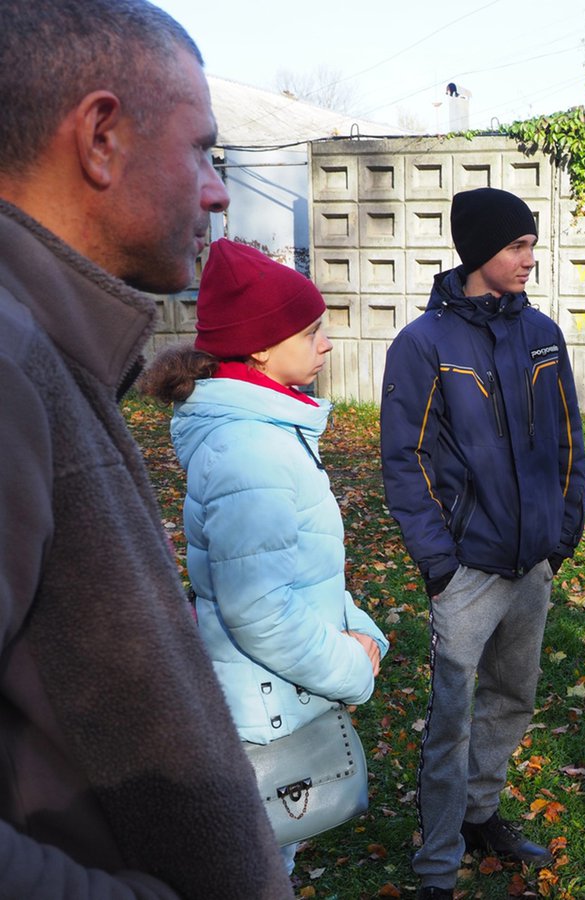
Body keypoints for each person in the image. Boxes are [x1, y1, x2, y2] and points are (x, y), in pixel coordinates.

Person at [0, 1, 293, 896]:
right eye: (202, 150)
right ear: (100, 137)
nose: (217, 189)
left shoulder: (48, 349)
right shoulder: (8, 363)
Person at [140, 238, 390, 875]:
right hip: (264, 715)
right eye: (311, 332)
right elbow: (257, 607)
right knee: (256, 867)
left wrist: (362, 631)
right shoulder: (249, 451)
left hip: (277, 696)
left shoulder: (268, 432)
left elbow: (298, 567)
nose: (326, 344)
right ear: (259, 347)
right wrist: (349, 666)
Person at [380, 187, 585, 900]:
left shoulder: (543, 334)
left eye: (531, 244)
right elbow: (404, 460)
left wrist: (560, 537)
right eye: (517, 246)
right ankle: (437, 863)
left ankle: (479, 816)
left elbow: (569, 441)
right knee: (449, 723)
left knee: (512, 698)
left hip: (532, 563)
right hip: (467, 573)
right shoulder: (422, 345)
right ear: (479, 254)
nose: (531, 258)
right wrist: (440, 566)